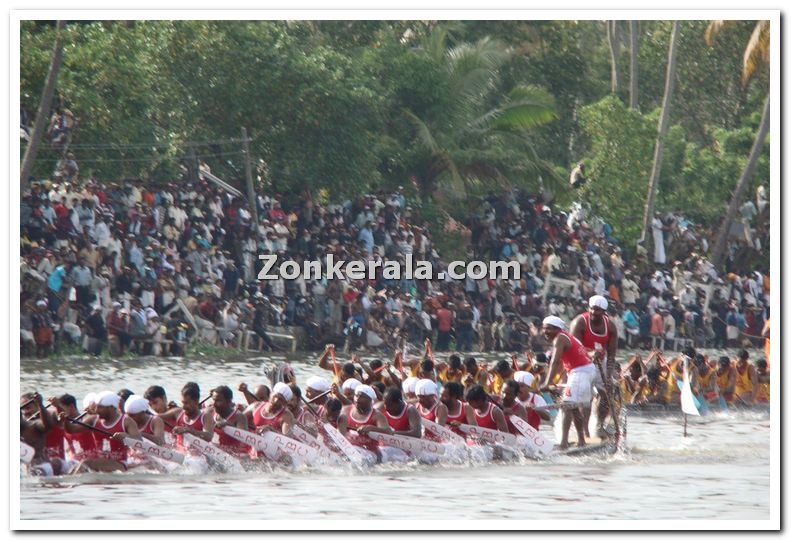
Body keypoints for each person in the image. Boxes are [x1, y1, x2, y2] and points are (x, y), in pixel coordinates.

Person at [540, 315, 596, 449]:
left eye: (548, 329)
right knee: (574, 407)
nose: (544, 332)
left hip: (581, 372)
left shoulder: (559, 338)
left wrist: (547, 383)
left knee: (566, 406)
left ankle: (564, 443)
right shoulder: (566, 336)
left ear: (557, 329)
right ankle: (582, 440)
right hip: (584, 371)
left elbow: (555, 362)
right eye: (543, 328)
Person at [570, 295, 618, 439]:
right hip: (579, 362)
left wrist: (609, 376)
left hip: (599, 362)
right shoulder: (579, 322)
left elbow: (611, 355)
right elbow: (573, 348)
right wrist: (590, 353)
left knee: (607, 393)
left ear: (604, 312)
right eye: (591, 309)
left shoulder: (610, 326)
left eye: (597, 310)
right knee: (586, 396)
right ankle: (584, 430)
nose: (593, 313)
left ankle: (599, 425)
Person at [61, 390, 141, 472]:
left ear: (111, 407)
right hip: (99, 461)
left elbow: (139, 442)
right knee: (76, 468)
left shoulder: (126, 421)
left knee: (86, 464)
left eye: (100, 407)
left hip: (119, 463)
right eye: (96, 407)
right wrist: (65, 420)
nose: (96, 410)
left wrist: (126, 437)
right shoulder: (93, 420)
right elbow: (71, 429)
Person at [210, 385, 251, 457]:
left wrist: (228, 425)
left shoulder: (239, 417)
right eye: (213, 400)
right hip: (215, 452)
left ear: (228, 401)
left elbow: (244, 438)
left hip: (234, 455)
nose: (214, 404)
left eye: (218, 401)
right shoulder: (210, 412)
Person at [171, 382, 216, 448]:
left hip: (198, 456)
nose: (183, 407)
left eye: (186, 403)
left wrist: (187, 430)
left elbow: (208, 437)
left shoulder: (206, 415)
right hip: (182, 453)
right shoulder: (178, 412)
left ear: (196, 401)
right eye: (182, 402)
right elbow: (158, 416)